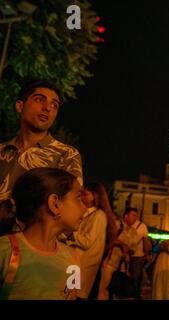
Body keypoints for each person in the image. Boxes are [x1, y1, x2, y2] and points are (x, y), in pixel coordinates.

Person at [0, 167, 86, 299]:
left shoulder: (73, 260)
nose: (85, 207)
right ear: (54, 204)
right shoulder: (5, 251)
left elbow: (70, 296)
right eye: (78, 198)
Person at [0, 80, 83, 203]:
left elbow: (70, 209)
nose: (47, 108)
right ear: (20, 106)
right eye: (39, 100)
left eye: (54, 105)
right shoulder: (2, 151)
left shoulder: (66, 155)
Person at [63, 182, 117, 299]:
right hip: (77, 263)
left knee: (75, 294)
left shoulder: (99, 215)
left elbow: (87, 241)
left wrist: (69, 234)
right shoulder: (89, 213)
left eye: (85, 194)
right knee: (69, 293)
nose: (82, 197)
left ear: (95, 196)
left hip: (83, 265)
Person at [121, 207, 150, 299]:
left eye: (136, 216)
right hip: (121, 256)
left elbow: (145, 241)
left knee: (135, 277)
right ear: (126, 215)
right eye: (133, 215)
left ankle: (133, 295)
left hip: (137, 256)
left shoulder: (141, 226)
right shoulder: (121, 225)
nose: (135, 218)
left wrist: (147, 254)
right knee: (123, 275)